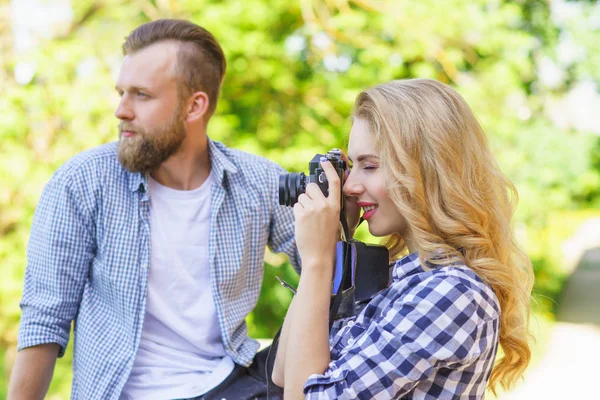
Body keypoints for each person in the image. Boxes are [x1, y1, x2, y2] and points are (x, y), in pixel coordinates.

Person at [8, 19, 298, 400]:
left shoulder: (257, 181)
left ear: (195, 106)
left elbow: (332, 274)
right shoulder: (82, 182)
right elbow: (45, 320)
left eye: (141, 95)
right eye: (121, 92)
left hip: (232, 386)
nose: (121, 110)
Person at [272, 78, 534, 399]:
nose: (350, 186)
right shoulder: (399, 279)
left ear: (424, 170)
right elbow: (284, 371)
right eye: (352, 167)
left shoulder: (453, 292)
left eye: (369, 166)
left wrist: (317, 260)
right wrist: (334, 246)